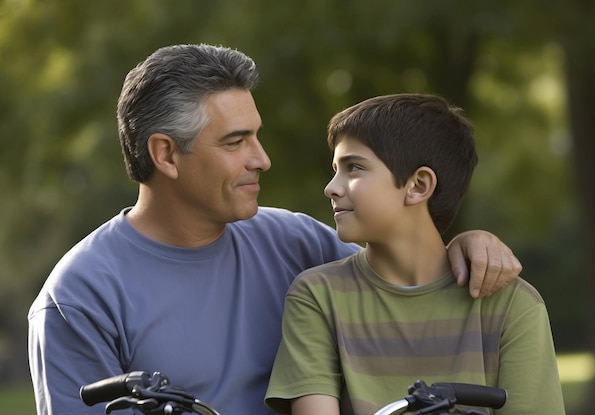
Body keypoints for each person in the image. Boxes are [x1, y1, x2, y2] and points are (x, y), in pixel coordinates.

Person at [28, 44, 522, 415]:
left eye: (256, 135)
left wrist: (465, 242)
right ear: (166, 155)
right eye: (235, 141)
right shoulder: (78, 299)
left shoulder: (296, 242)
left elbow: (405, 269)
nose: (261, 159)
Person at [264, 94, 565, 415]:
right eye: (336, 168)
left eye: (354, 168)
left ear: (418, 185)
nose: (331, 187)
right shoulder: (317, 296)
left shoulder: (512, 306)